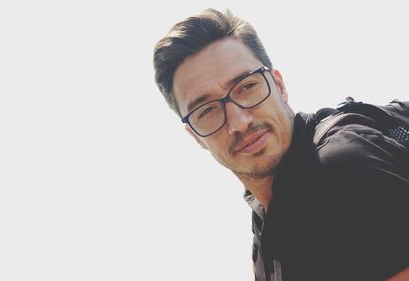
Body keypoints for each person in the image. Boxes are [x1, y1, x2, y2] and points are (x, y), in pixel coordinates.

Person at [153, 8, 409, 281]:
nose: (238, 122)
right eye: (207, 111)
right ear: (194, 135)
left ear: (279, 85)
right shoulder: (267, 218)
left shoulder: (338, 172)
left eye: (246, 87)